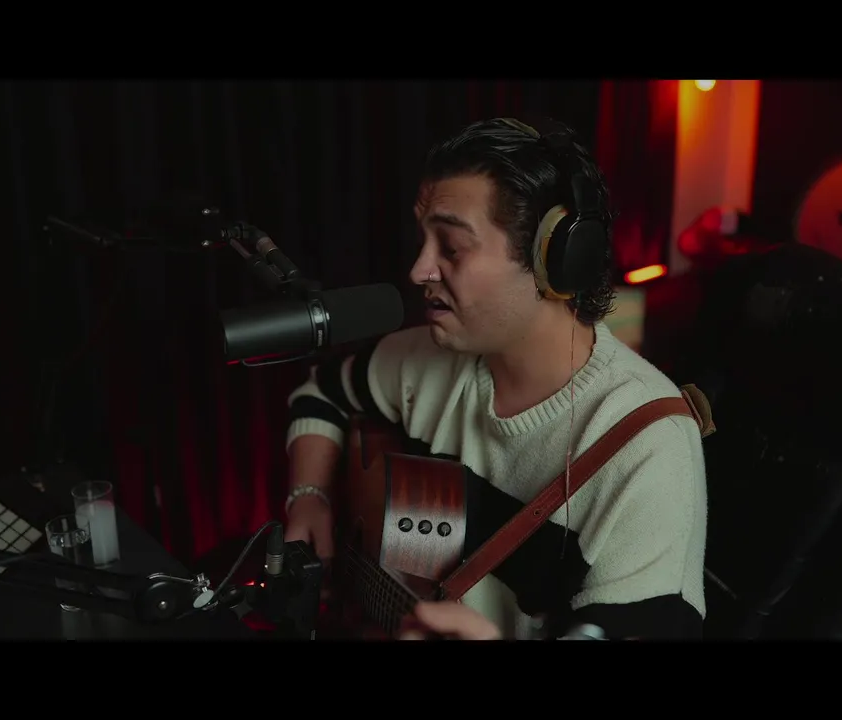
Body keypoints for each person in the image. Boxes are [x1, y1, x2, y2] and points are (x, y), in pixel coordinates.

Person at [281, 117, 708, 640]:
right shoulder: (426, 361)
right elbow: (323, 391)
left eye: (451, 247)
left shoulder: (647, 446)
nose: (418, 270)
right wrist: (311, 495)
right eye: (423, 240)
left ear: (555, 260)